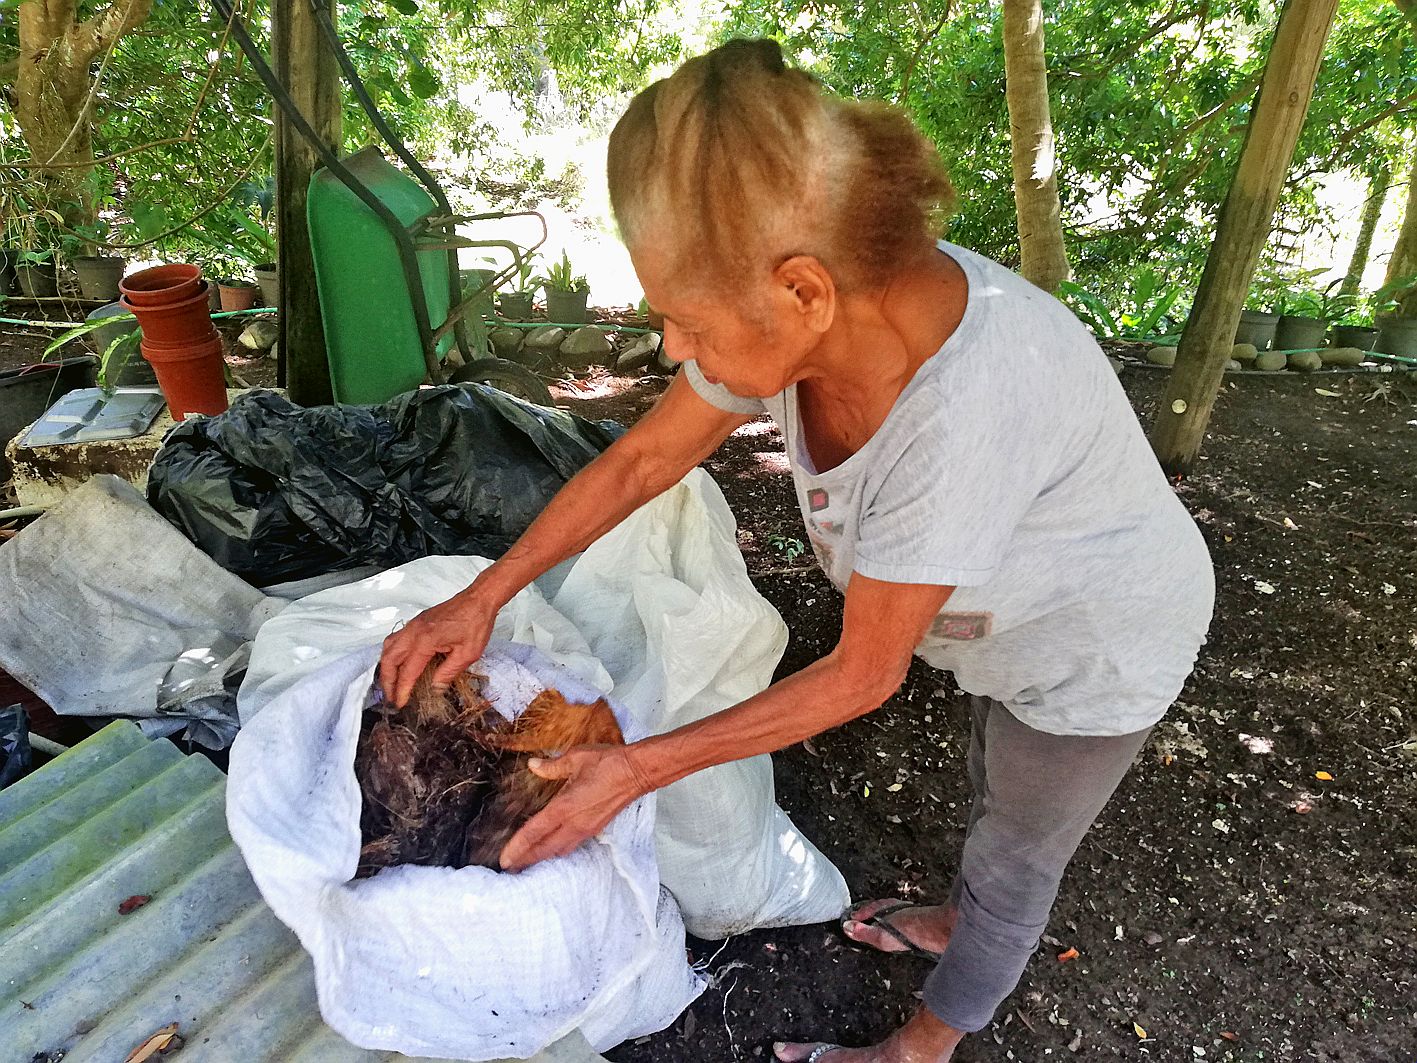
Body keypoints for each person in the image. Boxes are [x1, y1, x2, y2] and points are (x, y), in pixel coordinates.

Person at [379, 39, 1214, 1063]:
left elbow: (863, 673)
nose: (673, 350)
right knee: (990, 771)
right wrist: (486, 594)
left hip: (1098, 637)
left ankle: (924, 1043)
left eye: (684, 320)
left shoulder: (958, 417)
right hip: (1003, 613)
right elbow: (643, 461)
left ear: (803, 292)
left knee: (1018, 848)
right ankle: (960, 917)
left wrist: (633, 768)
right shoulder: (814, 310)